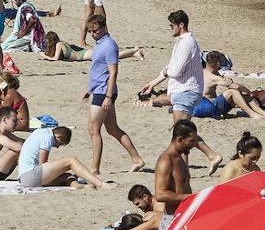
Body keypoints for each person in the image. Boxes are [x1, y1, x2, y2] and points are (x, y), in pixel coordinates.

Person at [139, 10, 223, 173]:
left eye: (172, 26)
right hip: (183, 91)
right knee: (183, 131)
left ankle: (185, 167)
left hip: (187, 91)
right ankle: (211, 156)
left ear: (181, 25)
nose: (170, 29)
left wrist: (160, 78)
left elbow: (175, 70)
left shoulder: (187, 43)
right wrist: (152, 83)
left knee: (181, 135)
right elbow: (171, 68)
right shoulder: (182, 42)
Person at [84, 15, 145, 173]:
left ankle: (94, 169)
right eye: (90, 31)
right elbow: (98, 70)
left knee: (94, 129)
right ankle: (136, 159)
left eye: (95, 31)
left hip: (104, 93)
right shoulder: (99, 44)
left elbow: (113, 72)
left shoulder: (109, 45)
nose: (92, 34)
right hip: (99, 90)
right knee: (112, 129)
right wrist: (89, 89)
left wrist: (109, 97)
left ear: (103, 28)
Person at [16, 125, 108, 189]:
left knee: (67, 176)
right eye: (60, 144)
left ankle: (78, 186)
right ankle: (99, 184)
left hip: (24, 178)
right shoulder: (47, 138)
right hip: (30, 175)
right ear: (59, 137)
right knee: (71, 161)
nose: (58, 146)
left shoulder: (40, 131)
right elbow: (42, 164)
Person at [41, 30, 142, 62]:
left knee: (112, 57)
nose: (47, 44)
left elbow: (55, 59)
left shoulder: (59, 44)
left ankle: (134, 50)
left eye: (48, 41)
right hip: (84, 54)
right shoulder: (61, 43)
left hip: (85, 55)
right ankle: (134, 54)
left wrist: (44, 56)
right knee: (111, 57)